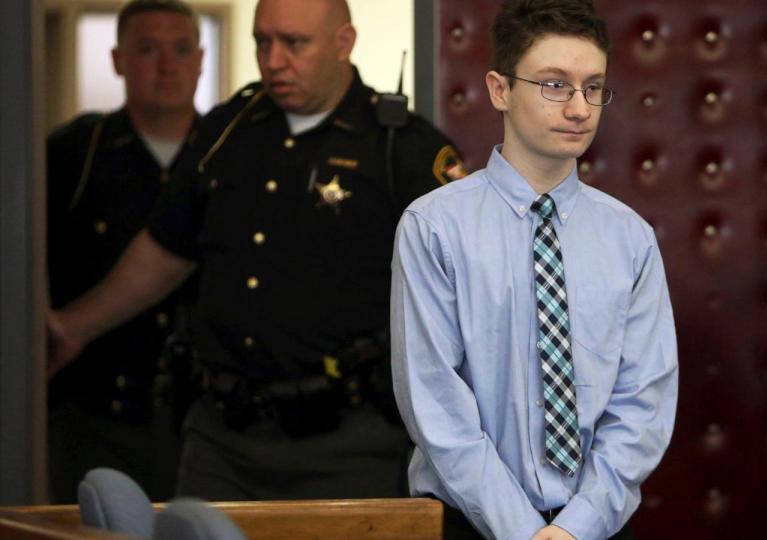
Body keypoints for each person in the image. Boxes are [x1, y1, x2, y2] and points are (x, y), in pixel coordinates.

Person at [48, 0, 465, 501]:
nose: (273, 59)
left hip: (350, 443)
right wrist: (72, 328)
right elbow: (166, 252)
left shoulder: (405, 149)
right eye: (262, 42)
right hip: (221, 439)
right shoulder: (226, 130)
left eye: (294, 43)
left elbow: (459, 292)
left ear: (343, 43)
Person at [390, 1, 679, 538]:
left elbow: (642, 404)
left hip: (595, 526)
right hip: (469, 523)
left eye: (594, 87)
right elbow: (436, 405)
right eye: (554, 85)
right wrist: (523, 531)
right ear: (500, 90)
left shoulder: (630, 239)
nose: (579, 108)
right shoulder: (434, 227)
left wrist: (576, 528)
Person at [46, 0, 203, 503]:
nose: (167, 66)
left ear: (200, 59)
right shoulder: (75, 154)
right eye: (147, 50)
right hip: (95, 413)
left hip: (203, 423)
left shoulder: (227, 154)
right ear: (117, 60)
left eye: (181, 50)